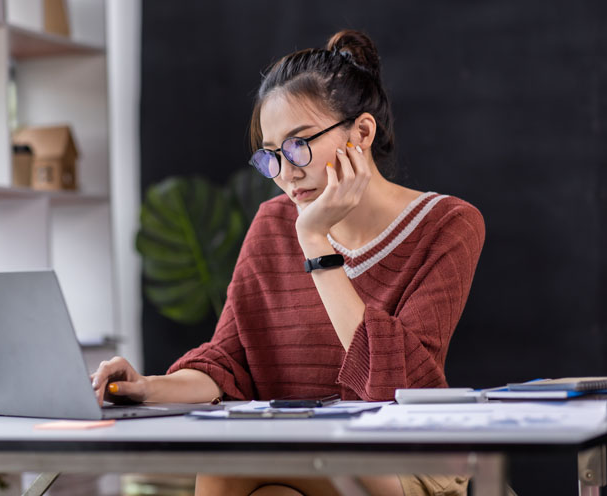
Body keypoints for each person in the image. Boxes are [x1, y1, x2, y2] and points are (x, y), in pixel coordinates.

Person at [92, 29, 485, 496]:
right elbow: (228, 361)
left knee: (244, 463)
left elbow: (397, 385)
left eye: (299, 145)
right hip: (300, 455)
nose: (287, 173)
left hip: (408, 455)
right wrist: (145, 387)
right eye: (272, 156)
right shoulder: (273, 221)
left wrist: (316, 241)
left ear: (361, 132)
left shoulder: (448, 224)